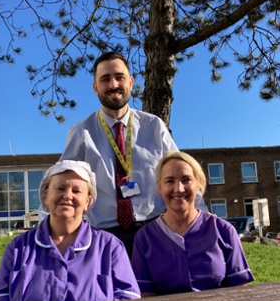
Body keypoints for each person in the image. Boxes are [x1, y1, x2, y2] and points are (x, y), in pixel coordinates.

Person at [58, 51, 207, 255]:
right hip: (103, 238)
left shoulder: (154, 126)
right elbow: (60, 184)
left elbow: (182, 175)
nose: (113, 85)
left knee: (158, 288)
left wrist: (202, 218)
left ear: (131, 82)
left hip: (155, 231)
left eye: (119, 77)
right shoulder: (81, 133)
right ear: (95, 88)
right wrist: (47, 229)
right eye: (105, 79)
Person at [0, 160, 140, 301]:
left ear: (87, 202)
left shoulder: (110, 247)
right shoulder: (18, 248)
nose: (67, 196)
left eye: (77, 191)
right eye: (60, 188)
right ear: (45, 196)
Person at [131, 151, 254, 297]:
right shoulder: (145, 237)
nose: (179, 189)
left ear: (198, 184)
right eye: (169, 181)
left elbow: (238, 290)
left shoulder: (223, 230)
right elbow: (146, 296)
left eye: (186, 180)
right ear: (159, 187)